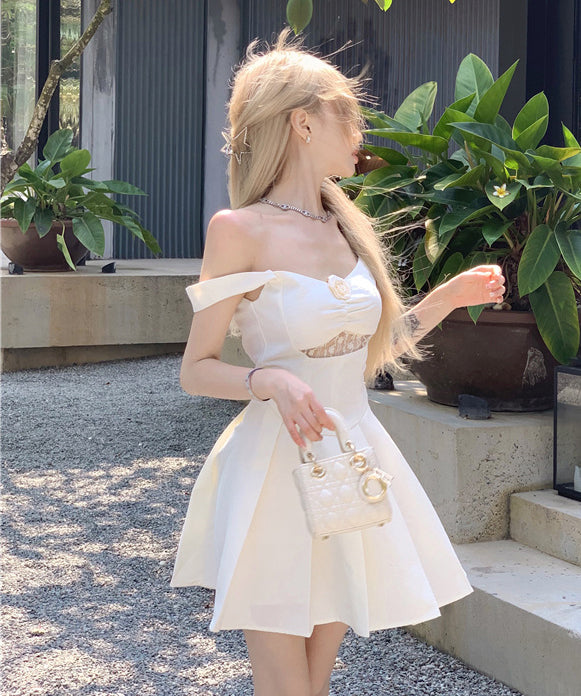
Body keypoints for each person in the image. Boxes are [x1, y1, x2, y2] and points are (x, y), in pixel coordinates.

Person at [171, 30, 505, 696]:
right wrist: (267, 378)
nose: (361, 133)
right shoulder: (238, 230)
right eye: (348, 115)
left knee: (316, 684)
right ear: (302, 123)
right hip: (273, 471)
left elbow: (364, 352)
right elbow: (195, 369)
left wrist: (446, 298)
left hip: (353, 461)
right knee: (286, 687)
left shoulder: (344, 223)